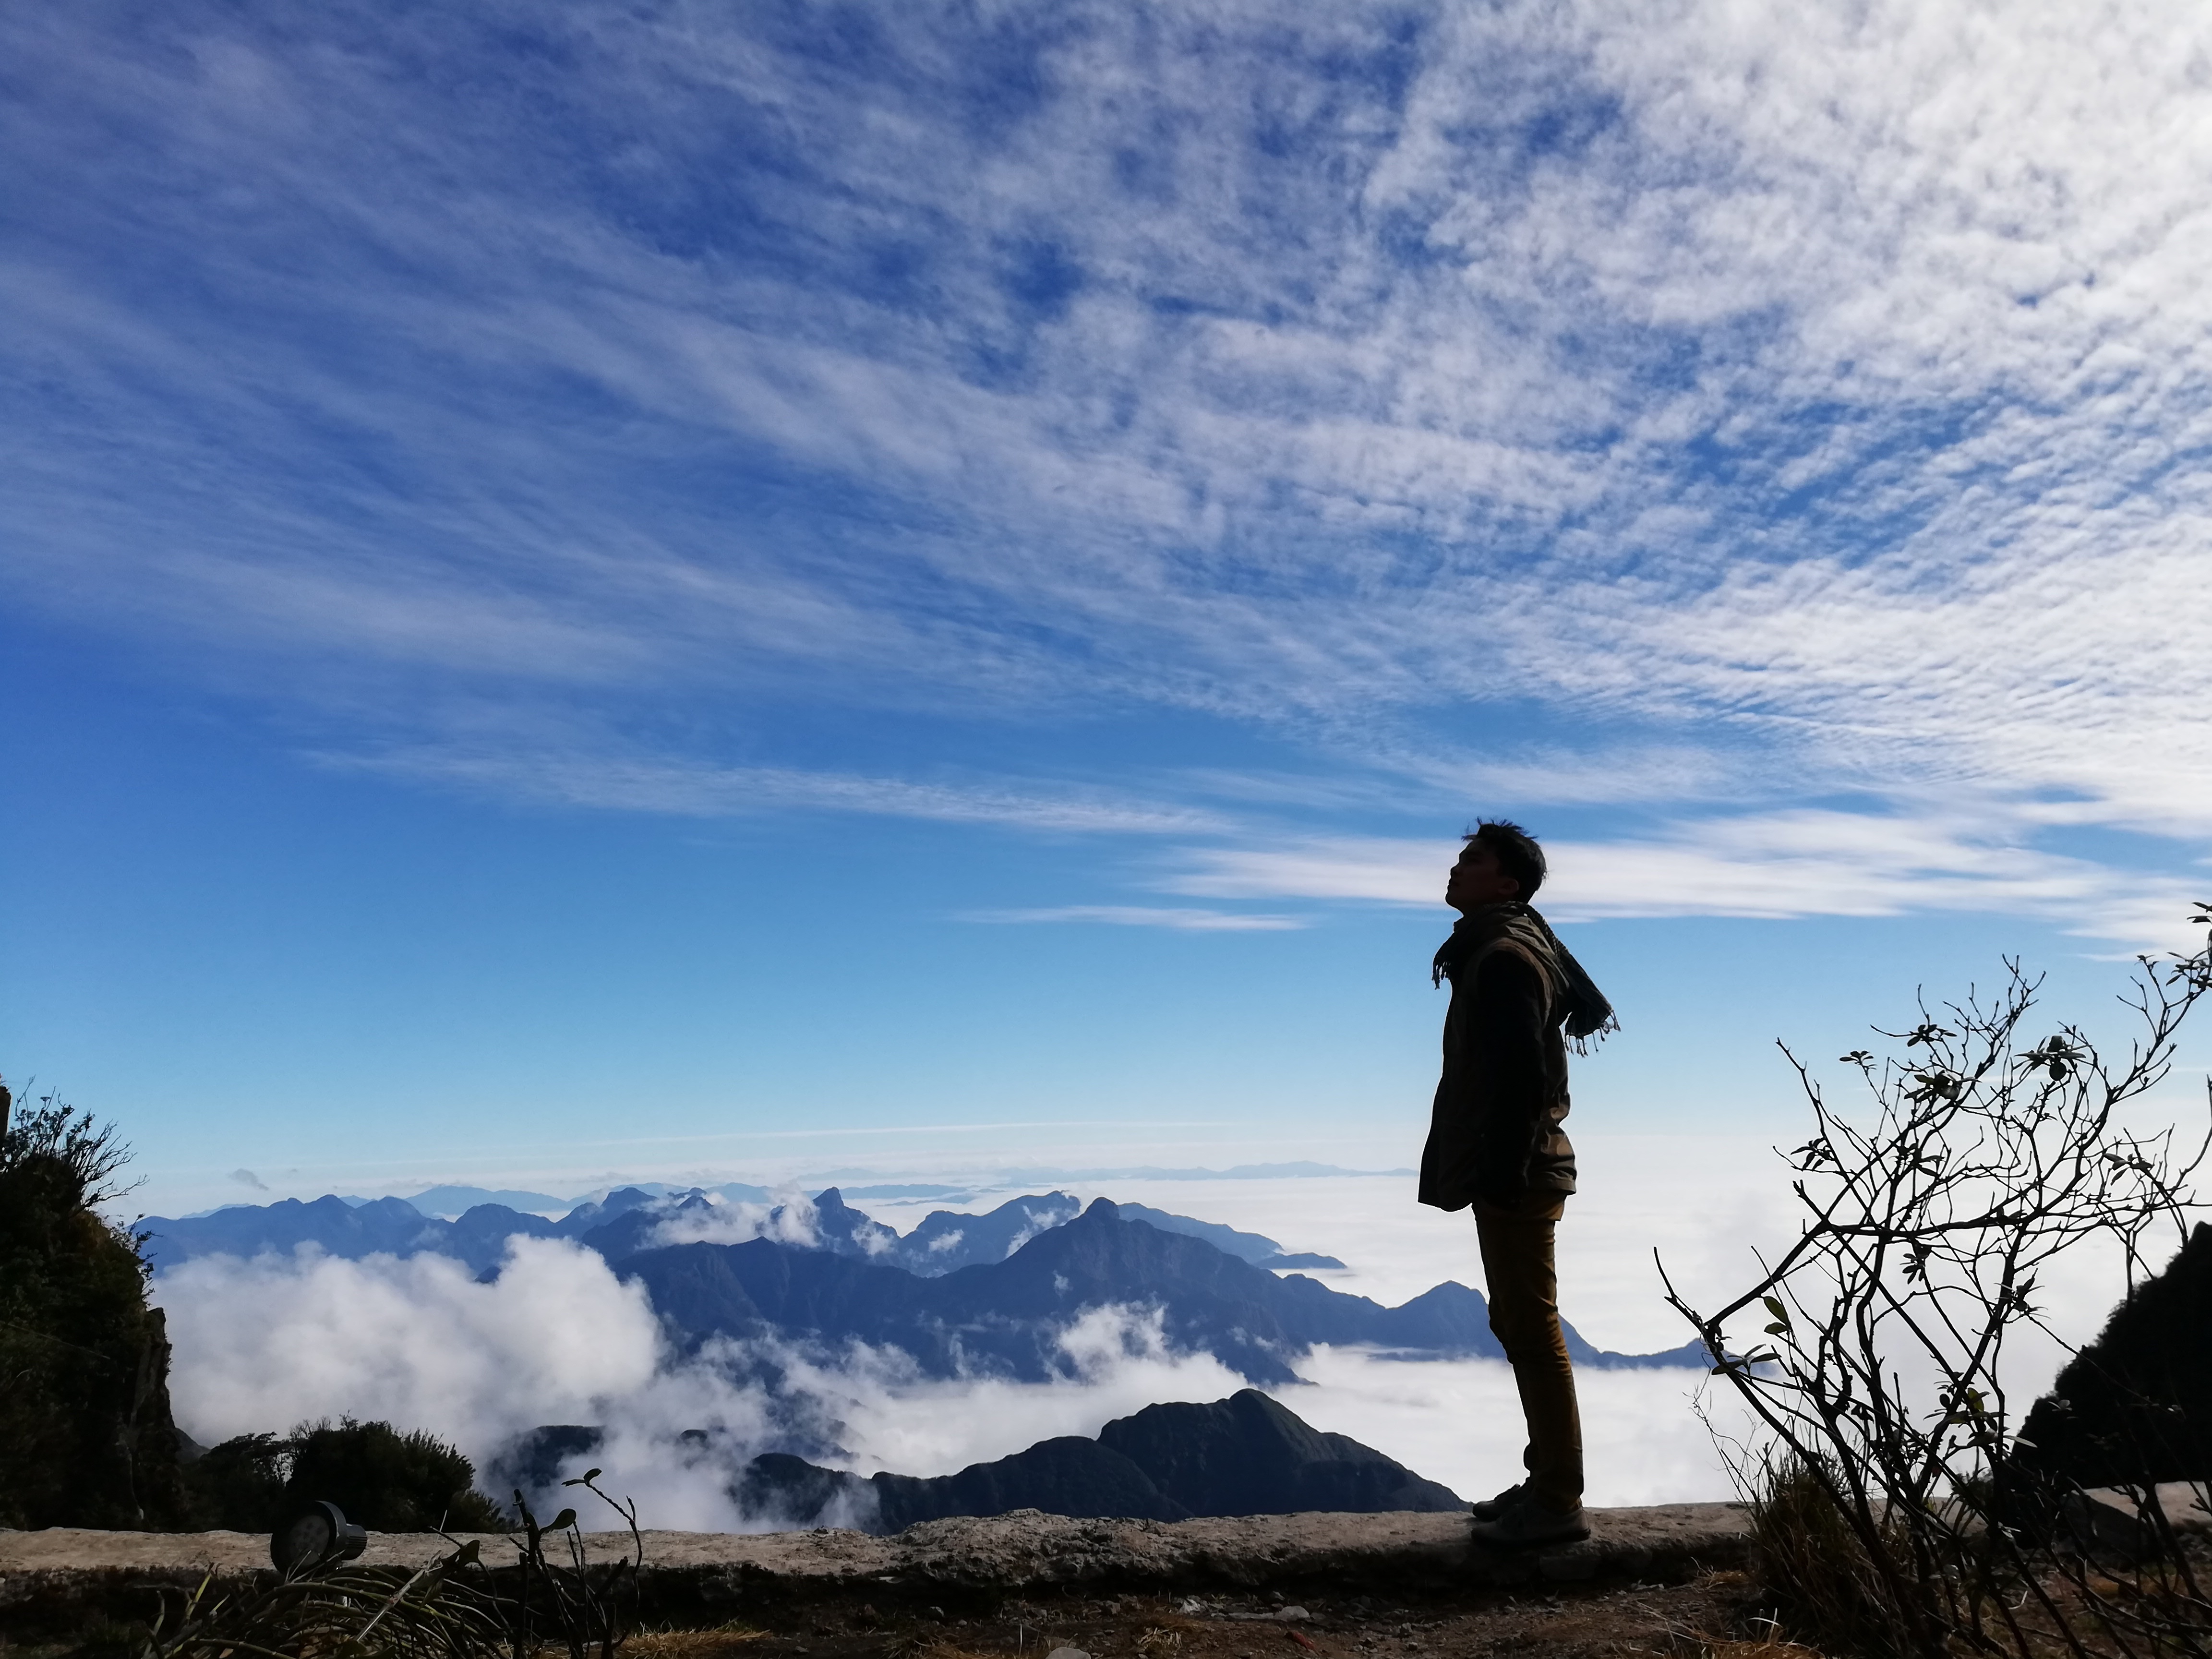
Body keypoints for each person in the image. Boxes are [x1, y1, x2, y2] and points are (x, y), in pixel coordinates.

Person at [1420, 820, 1615, 1549]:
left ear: (1507, 884)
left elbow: (1523, 1078)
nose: (1456, 867)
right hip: (1525, 1166)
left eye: (1472, 860)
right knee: (1520, 1324)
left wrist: (1498, 1176)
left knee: (1533, 1332)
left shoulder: (1502, 956)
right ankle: (1545, 1481)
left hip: (1521, 1171)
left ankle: (1558, 1501)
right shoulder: (1514, 943)